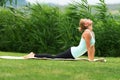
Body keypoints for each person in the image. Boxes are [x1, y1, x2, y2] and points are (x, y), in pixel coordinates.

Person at [24, 18, 96, 61]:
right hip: (72, 53)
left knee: (54, 57)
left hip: (74, 53)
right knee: (54, 58)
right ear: (86, 25)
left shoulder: (91, 33)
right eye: (87, 20)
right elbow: (88, 48)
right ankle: (33, 55)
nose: (88, 19)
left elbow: (92, 47)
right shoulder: (87, 33)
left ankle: (34, 55)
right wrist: (90, 61)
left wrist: (92, 59)